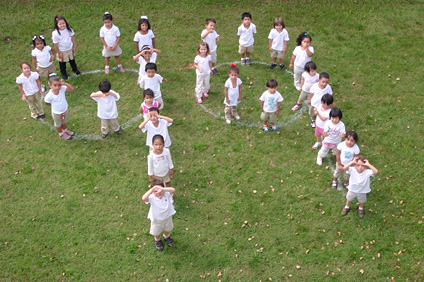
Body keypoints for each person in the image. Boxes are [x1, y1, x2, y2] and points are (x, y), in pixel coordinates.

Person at [142, 179, 176, 251]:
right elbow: (144, 198)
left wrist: (163, 189)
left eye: (160, 190)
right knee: (156, 231)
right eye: (155, 191)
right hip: (157, 219)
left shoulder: (166, 194)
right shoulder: (152, 198)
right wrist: (151, 190)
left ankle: (166, 236)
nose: (158, 192)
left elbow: (173, 190)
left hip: (167, 217)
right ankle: (157, 240)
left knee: (167, 228)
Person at [44, 74, 75, 140]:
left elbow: (71, 89)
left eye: (59, 85)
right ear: (50, 85)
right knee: (58, 124)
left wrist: (65, 84)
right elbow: (46, 102)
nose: (57, 87)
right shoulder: (49, 95)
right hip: (56, 112)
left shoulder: (62, 88)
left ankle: (65, 130)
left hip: (64, 109)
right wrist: (53, 106)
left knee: (64, 121)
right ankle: (61, 133)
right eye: (55, 85)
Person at [52, 16, 81, 80]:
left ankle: (75, 70)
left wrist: (74, 46)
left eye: (63, 23)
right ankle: (63, 73)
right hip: (62, 50)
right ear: (57, 24)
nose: (62, 25)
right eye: (60, 24)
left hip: (69, 48)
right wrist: (59, 52)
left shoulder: (68, 29)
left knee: (72, 60)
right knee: (62, 63)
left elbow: (72, 37)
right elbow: (56, 44)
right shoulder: (55, 33)